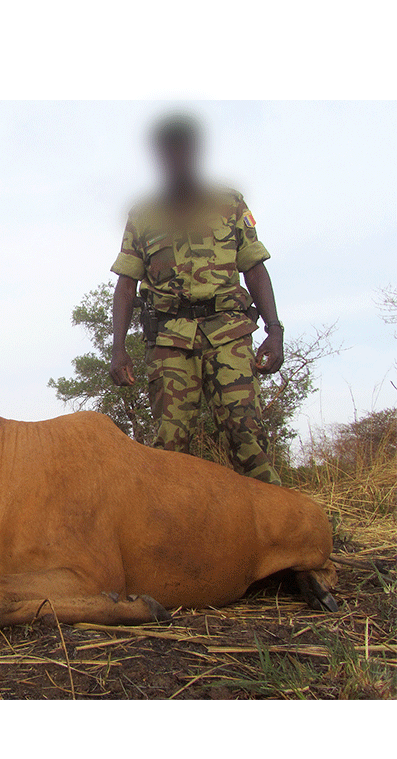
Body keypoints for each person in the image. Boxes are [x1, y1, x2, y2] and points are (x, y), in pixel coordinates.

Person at [109, 114, 284, 484]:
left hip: (230, 335)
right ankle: (168, 539)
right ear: (159, 158)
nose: (177, 159)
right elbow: (126, 286)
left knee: (246, 434)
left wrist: (275, 330)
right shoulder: (142, 215)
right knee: (168, 449)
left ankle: (277, 533)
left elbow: (254, 268)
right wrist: (118, 348)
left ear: (196, 153)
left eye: (183, 151)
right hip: (170, 342)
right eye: (168, 153)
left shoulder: (230, 203)